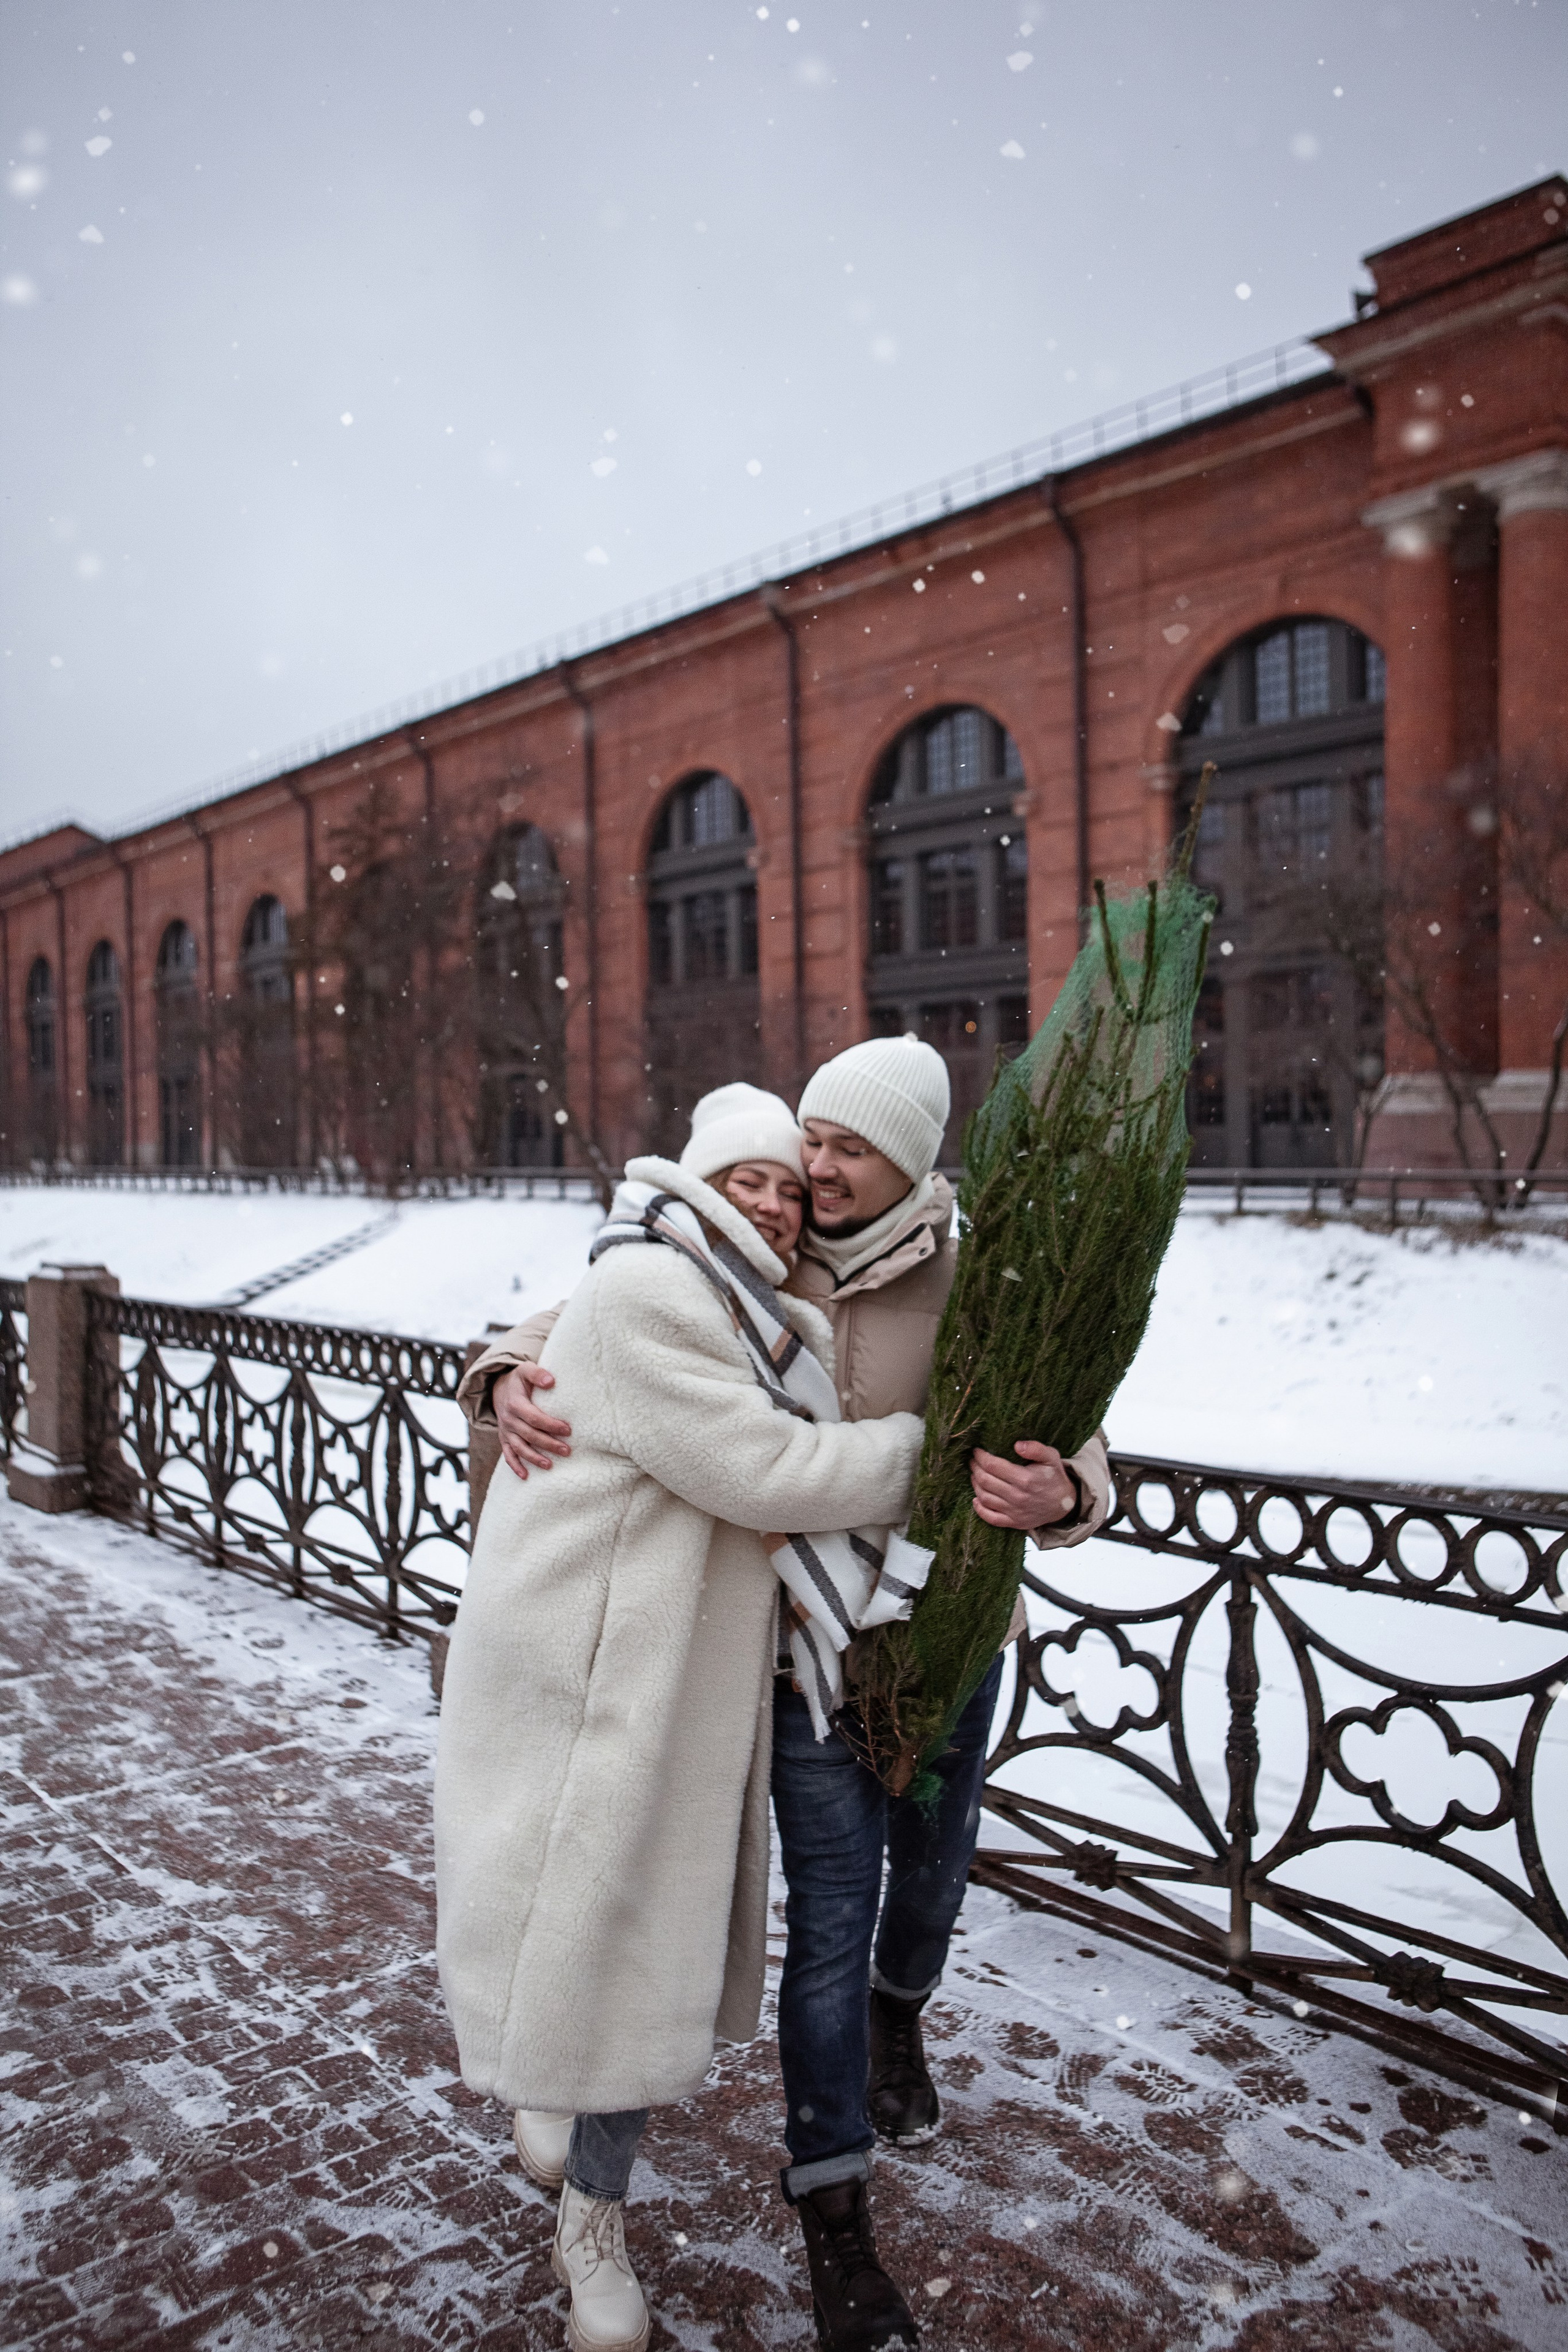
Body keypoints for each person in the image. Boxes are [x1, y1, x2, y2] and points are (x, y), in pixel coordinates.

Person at [484, 1038, 1112, 2349]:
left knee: (931, 1880)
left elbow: (1074, 1418)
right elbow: (592, 1306)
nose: (810, 1175)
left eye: (840, 1150)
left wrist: (1070, 1493)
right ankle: (834, 2210)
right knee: (820, 1919)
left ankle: (903, 2013)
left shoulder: (979, 1267)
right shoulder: (755, 1239)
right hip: (798, 1657)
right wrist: (499, 1372)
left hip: (941, 1644)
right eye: (802, 1144)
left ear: (911, 1160)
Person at [438, 1085, 925, 2352]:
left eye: (794, 1174)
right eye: (750, 1177)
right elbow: (757, 1466)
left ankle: (562, 2088)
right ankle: (586, 2219)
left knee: (638, 1923)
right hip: (610, 1666)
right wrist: (931, 1454)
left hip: (732, 1670)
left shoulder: (763, 1282)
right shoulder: (660, 1285)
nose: (778, 1193)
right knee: (609, 1918)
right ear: (697, 1185)